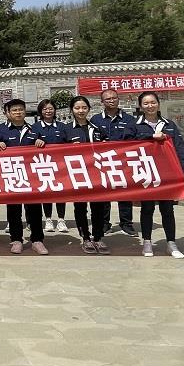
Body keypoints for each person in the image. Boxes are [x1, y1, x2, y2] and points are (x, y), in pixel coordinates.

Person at [124, 91, 184, 259]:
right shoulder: (134, 125)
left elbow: (179, 147)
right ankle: (147, 242)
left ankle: (171, 243)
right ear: (140, 106)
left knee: (167, 208)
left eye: (153, 102)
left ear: (158, 104)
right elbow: (126, 142)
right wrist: (150, 136)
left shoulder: (169, 124)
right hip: (146, 172)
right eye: (146, 103)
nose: (150, 106)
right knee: (147, 208)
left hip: (167, 172)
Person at [0, 99, 48, 255]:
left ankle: (37, 240)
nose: (18, 112)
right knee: (14, 209)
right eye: (14, 110)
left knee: (34, 209)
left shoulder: (34, 129)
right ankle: (16, 239)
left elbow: (45, 147)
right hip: (12, 174)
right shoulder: (1, 129)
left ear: (25, 111)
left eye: (20, 110)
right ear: (8, 113)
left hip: (32, 176)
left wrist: (41, 142)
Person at [61, 96, 110, 254]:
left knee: (98, 207)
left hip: (96, 173)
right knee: (80, 207)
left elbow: (109, 146)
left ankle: (98, 237)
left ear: (88, 109)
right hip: (77, 175)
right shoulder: (66, 129)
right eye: (77, 108)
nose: (81, 111)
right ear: (72, 110)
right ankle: (86, 238)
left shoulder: (97, 128)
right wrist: (69, 148)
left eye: (84, 107)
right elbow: (58, 151)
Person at [91, 89, 137, 236]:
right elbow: (92, 141)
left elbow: (135, 140)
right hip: (103, 162)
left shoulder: (129, 119)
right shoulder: (95, 120)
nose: (111, 101)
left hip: (123, 162)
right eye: (108, 99)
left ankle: (126, 223)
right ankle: (104, 223)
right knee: (104, 195)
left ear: (118, 99)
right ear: (102, 102)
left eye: (114, 98)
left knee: (125, 193)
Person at [32, 99, 69, 233]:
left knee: (60, 192)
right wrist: (36, 141)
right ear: (40, 111)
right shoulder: (35, 127)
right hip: (43, 164)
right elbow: (30, 143)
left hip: (60, 165)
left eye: (51, 108)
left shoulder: (62, 126)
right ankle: (48, 219)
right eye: (45, 109)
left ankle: (61, 219)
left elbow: (68, 143)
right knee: (47, 192)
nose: (48, 111)